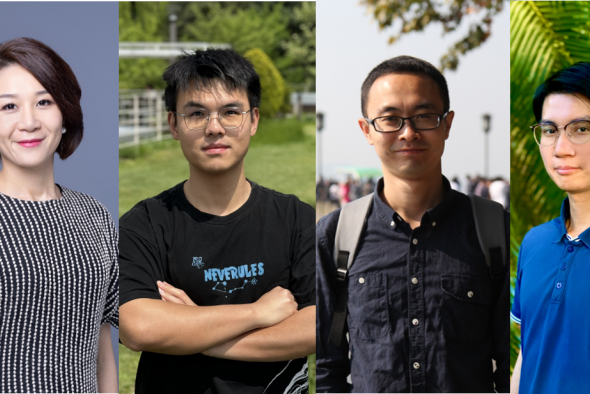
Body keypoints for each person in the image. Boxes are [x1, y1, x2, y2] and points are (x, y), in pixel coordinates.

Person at [119, 49, 316, 394]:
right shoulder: (144, 224)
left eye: (230, 112)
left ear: (253, 120)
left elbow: (319, 326)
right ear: (173, 125)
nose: (214, 128)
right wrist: (256, 313)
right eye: (196, 113)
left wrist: (192, 330)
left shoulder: (297, 220)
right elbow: (137, 327)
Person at [316, 56, 510, 393]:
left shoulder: (494, 231)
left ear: (447, 123)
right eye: (390, 119)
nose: (408, 132)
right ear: (367, 130)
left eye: (424, 117)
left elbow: (508, 362)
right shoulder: (336, 237)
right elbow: (326, 365)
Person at [0, 37, 118, 393]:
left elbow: (101, 347)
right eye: (8, 107)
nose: (30, 122)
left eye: (44, 102)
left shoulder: (94, 216)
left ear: (65, 112)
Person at [510, 62, 590, 394]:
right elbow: (530, 353)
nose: (561, 148)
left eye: (581, 129)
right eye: (549, 130)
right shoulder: (535, 243)